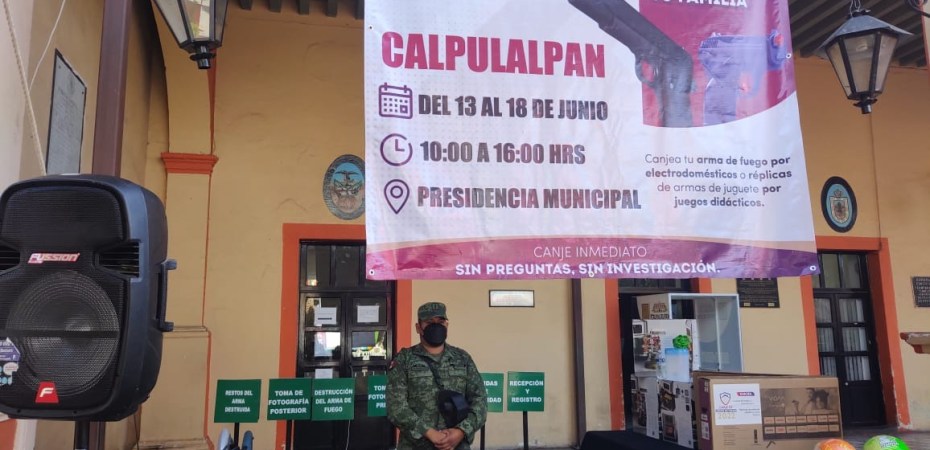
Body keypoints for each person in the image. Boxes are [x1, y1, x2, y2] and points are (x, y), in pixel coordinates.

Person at [387, 302, 487, 450]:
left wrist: (461, 431)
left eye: (440, 322)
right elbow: (395, 406)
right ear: (418, 327)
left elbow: (480, 400)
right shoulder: (404, 359)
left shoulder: (462, 358)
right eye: (429, 322)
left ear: (447, 325)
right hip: (416, 446)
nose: (436, 326)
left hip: (456, 445)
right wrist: (429, 432)